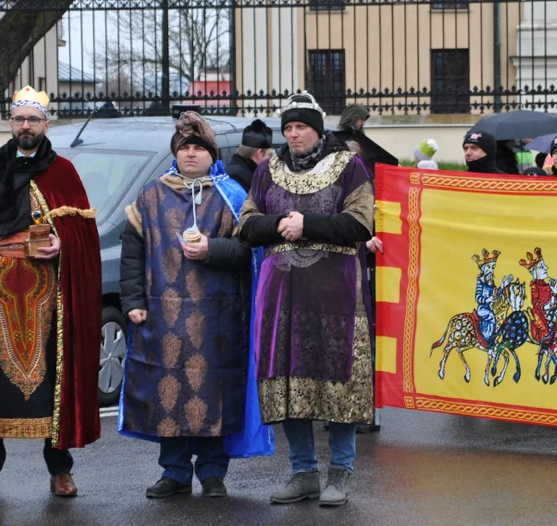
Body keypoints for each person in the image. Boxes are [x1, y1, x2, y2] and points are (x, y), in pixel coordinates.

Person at [0, 86, 102, 499]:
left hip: (48, 300)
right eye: (19, 120)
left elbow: (83, 237)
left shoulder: (63, 172)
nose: (26, 126)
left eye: (33, 119)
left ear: (46, 125)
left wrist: (62, 244)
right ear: (11, 124)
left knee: (54, 380)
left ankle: (60, 471)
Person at [239, 92, 375, 508]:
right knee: (288, 380)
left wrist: (308, 225)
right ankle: (302, 473)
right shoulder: (268, 170)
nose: (293, 134)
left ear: (317, 129)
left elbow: (360, 222)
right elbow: (246, 225)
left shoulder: (349, 167)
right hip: (281, 294)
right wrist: (281, 223)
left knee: (336, 379)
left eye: (301, 127)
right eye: (288, 128)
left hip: (335, 292)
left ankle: (341, 471)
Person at [118, 112, 262, 499]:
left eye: (199, 148)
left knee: (215, 391)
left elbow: (250, 249)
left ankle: (213, 473)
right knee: (169, 392)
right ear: (175, 154)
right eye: (185, 148)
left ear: (211, 153)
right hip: (163, 317)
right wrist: (132, 300)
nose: (191, 154)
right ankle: (175, 472)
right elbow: (132, 251)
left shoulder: (231, 195)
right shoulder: (151, 195)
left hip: (220, 316)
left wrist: (211, 249)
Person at [226, 119, 274, 192]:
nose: (270, 160)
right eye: (269, 155)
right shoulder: (243, 179)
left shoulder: (231, 170)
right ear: (259, 153)